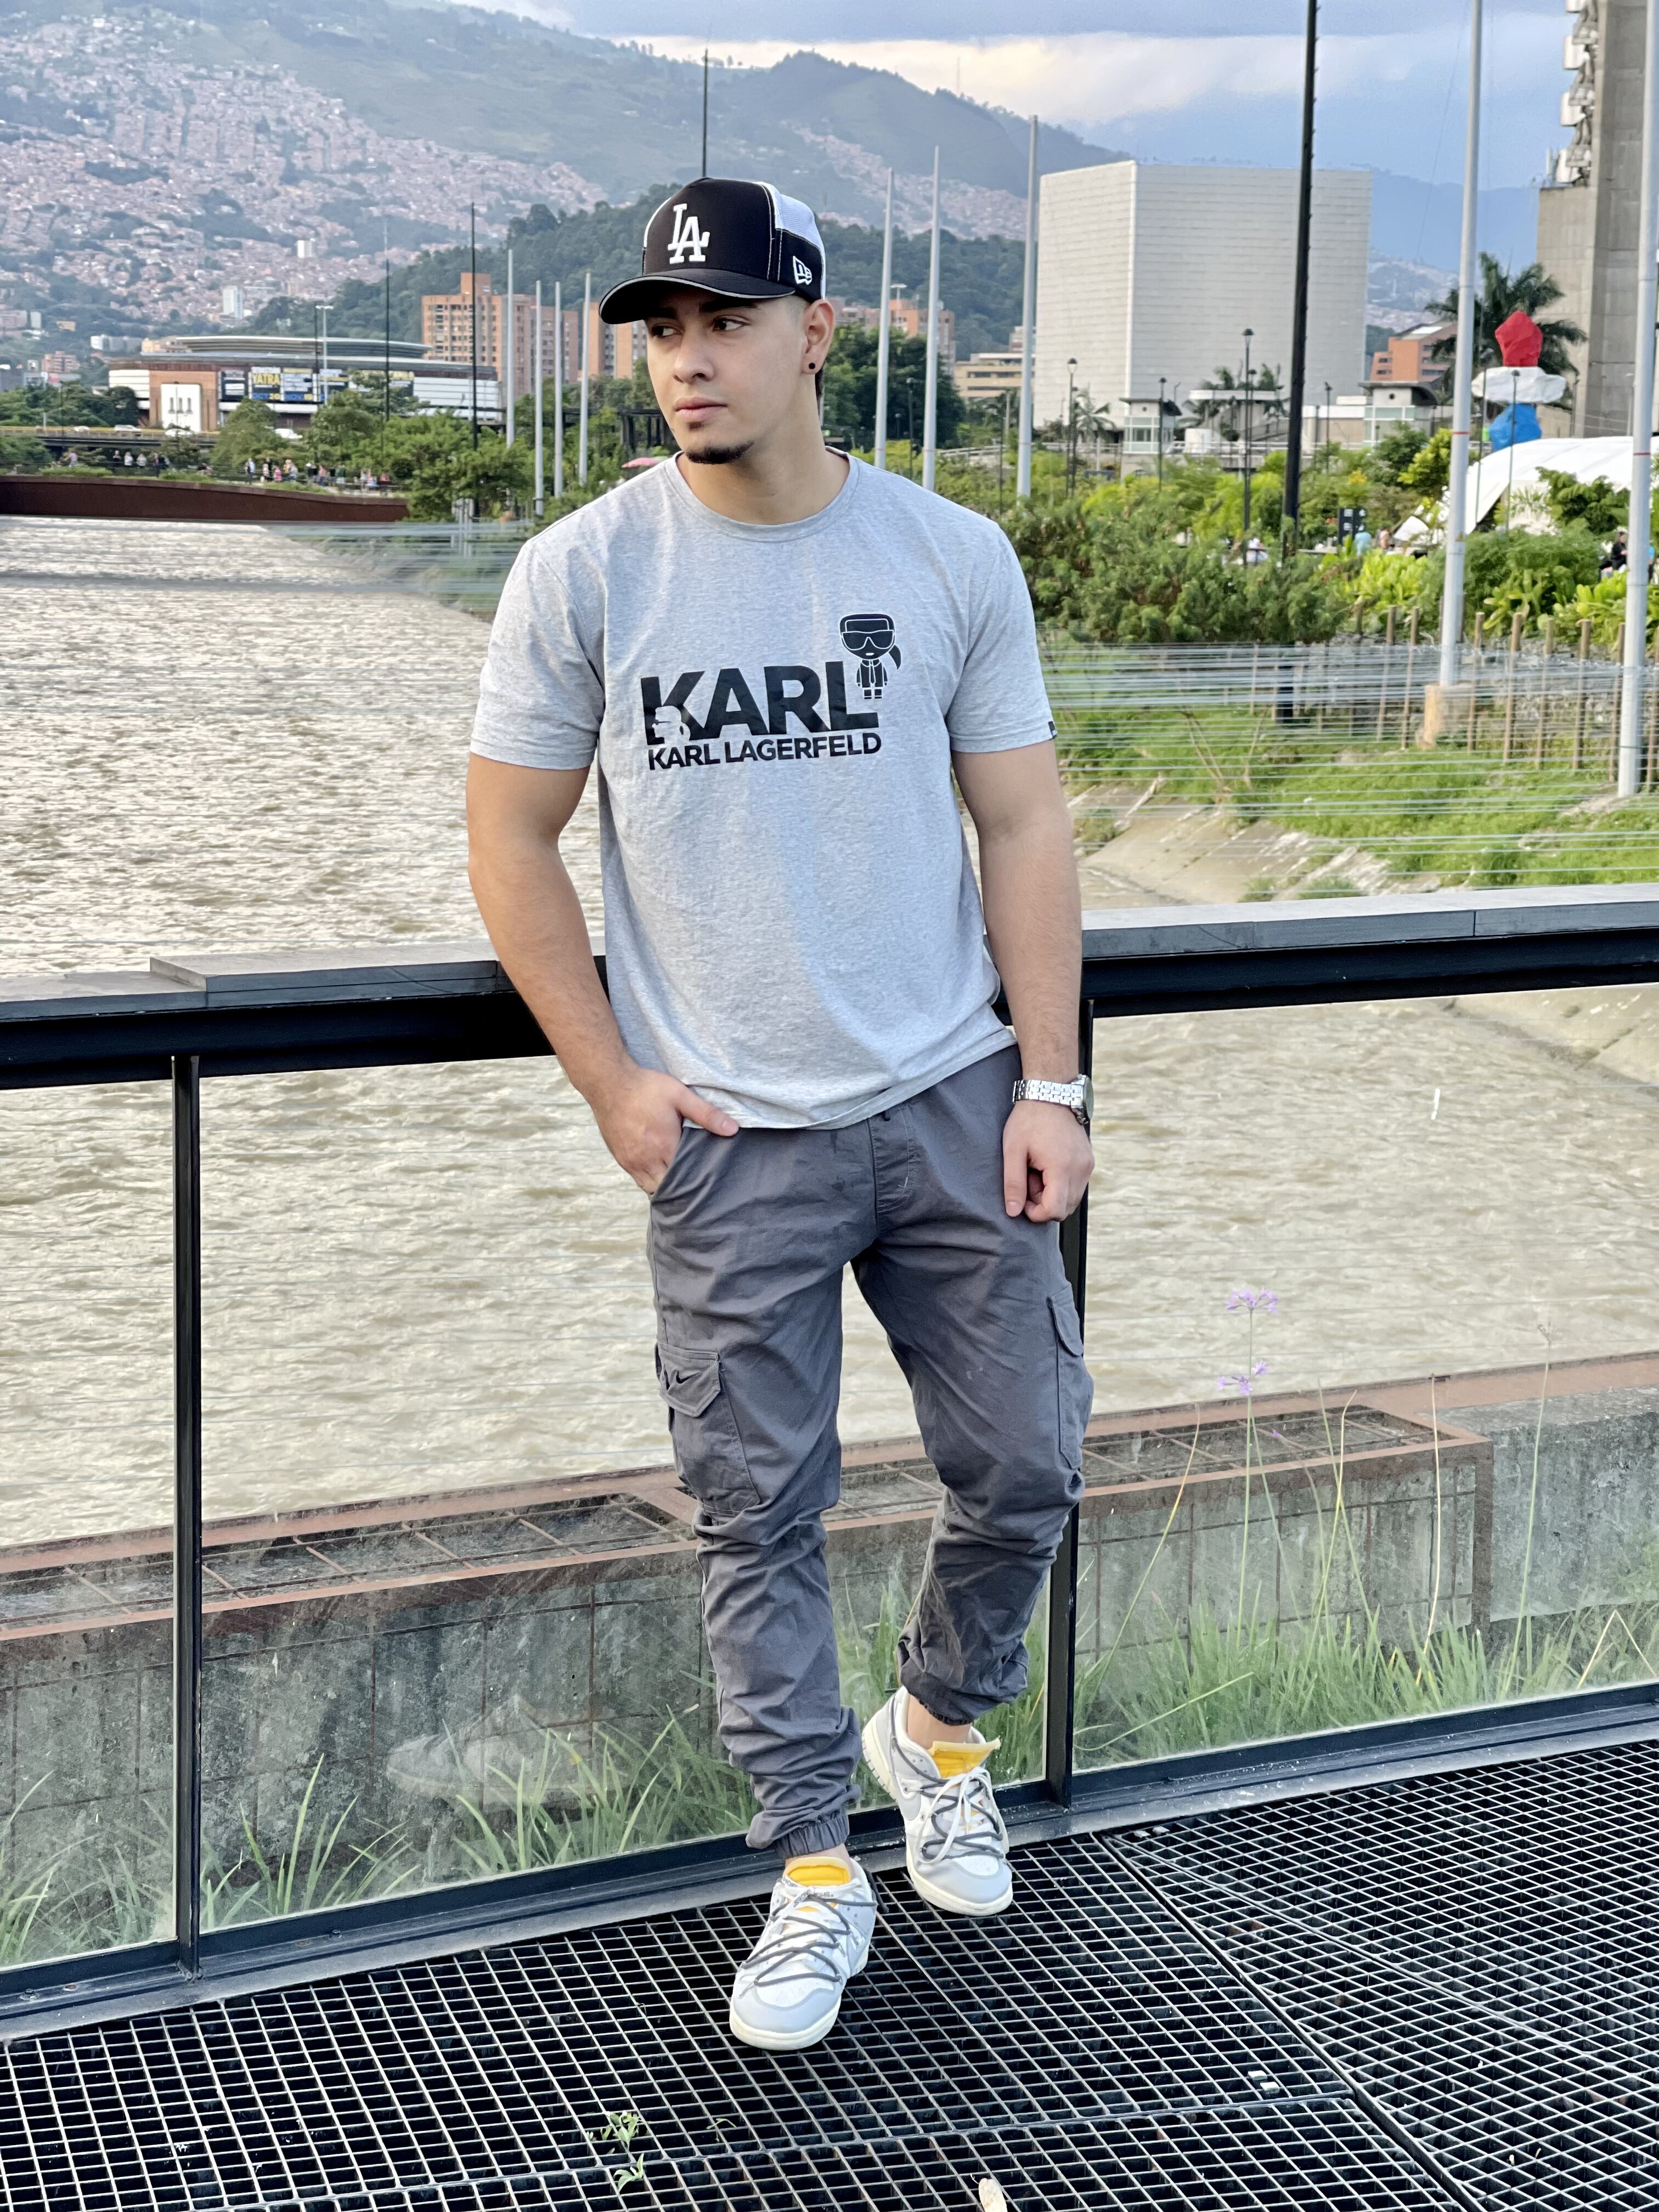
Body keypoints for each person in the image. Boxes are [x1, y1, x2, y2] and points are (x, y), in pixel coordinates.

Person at [466, 177, 1094, 2053]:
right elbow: (510, 839)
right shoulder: (586, 571)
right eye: (665, 328)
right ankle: (816, 1864)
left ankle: (939, 1730)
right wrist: (613, 1085)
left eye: (727, 321)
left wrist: (1050, 1079)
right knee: (758, 1513)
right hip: (728, 1137)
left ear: (817, 334)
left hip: (950, 1093)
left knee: (1028, 1462)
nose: (690, 360)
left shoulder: (949, 554)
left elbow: (1024, 825)